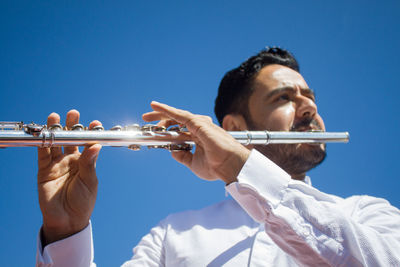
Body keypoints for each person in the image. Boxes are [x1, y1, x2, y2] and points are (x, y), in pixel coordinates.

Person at [36, 47, 400, 266]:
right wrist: (65, 235)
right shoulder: (173, 234)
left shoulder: (366, 214)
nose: (309, 107)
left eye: (310, 96)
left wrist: (239, 167)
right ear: (233, 126)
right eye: (285, 98)